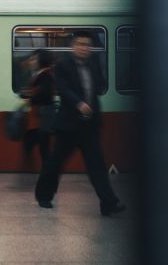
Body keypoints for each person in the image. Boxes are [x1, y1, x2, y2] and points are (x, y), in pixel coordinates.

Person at [34, 32, 126, 216]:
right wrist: (79, 103)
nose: (84, 48)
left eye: (87, 45)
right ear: (73, 46)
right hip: (68, 125)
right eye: (80, 44)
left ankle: (108, 204)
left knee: (97, 166)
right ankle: (44, 195)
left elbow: (99, 86)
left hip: (89, 125)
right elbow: (63, 88)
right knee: (56, 163)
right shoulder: (62, 65)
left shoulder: (93, 63)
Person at [21, 49, 55, 165]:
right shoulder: (41, 74)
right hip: (40, 115)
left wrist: (30, 99)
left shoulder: (46, 75)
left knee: (43, 146)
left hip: (43, 115)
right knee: (40, 144)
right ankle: (46, 169)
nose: (31, 61)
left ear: (41, 60)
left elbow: (44, 93)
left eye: (34, 59)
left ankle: (48, 171)